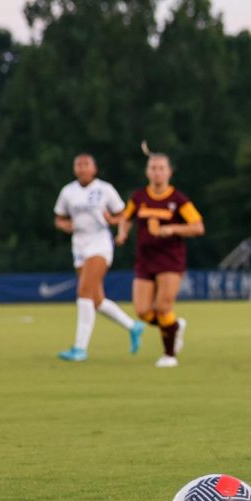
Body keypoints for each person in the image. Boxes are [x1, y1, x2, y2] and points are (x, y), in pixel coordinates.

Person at [115, 153, 205, 367]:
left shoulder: (178, 200)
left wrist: (172, 229)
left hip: (170, 261)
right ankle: (174, 327)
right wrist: (122, 233)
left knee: (163, 307)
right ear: (147, 171)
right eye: (153, 168)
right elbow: (125, 218)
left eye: (161, 168)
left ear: (169, 172)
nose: (157, 172)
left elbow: (198, 227)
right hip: (145, 261)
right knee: (143, 311)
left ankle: (169, 355)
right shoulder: (138, 198)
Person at [53, 153, 145, 361]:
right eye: (78, 164)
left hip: (100, 243)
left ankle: (79, 348)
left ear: (94, 169)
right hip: (79, 245)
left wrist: (119, 229)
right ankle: (133, 327)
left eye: (86, 164)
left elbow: (124, 215)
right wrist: (65, 225)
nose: (82, 168)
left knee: (83, 292)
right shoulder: (68, 191)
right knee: (95, 300)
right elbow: (59, 219)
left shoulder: (105, 189)